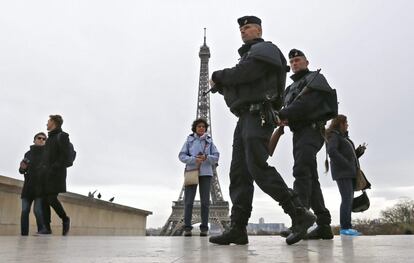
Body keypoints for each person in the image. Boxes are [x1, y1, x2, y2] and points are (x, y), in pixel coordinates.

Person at [209, 16, 315, 245]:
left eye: (247, 27)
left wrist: (219, 77)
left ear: (259, 29)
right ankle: (238, 227)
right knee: (239, 173)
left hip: (259, 117)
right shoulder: (251, 56)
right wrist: (225, 85)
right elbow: (244, 80)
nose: (243, 31)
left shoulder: (265, 50)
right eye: (241, 29)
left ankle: (299, 213)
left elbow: (246, 73)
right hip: (246, 117)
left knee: (258, 168)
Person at [278, 49, 334, 240]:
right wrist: (283, 117)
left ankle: (299, 220)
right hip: (299, 133)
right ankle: (324, 224)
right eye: (292, 61)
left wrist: (284, 114)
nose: (294, 63)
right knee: (310, 177)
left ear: (307, 62)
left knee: (301, 171)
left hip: (312, 131)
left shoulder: (315, 79)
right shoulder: (290, 88)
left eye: (298, 60)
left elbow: (307, 104)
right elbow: (289, 108)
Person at [179, 118, 220, 237]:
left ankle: (204, 229)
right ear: (195, 128)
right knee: (188, 202)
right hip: (192, 170)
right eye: (199, 126)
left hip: (206, 173)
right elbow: (181, 155)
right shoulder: (189, 140)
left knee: (205, 202)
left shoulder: (209, 141)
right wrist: (194, 159)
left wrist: (206, 157)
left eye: (203, 126)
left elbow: (216, 156)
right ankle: (187, 228)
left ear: (205, 129)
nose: (201, 128)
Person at [326, 114, 365, 236]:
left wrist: (357, 152)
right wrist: (347, 164)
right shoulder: (334, 135)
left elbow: (348, 156)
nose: (347, 125)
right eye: (346, 122)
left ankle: (347, 227)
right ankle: (345, 228)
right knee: (347, 199)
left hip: (348, 172)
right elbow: (332, 151)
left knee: (348, 199)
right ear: (340, 124)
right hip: (343, 173)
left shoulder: (343, 138)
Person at [41, 115, 71, 235]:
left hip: (56, 174)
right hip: (46, 174)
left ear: (54, 122)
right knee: (44, 200)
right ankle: (47, 228)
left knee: (51, 198)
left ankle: (65, 218)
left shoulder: (62, 136)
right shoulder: (49, 139)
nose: (46, 123)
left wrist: (53, 168)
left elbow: (64, 156)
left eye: (48, 121)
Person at [19, 132, 48, 235]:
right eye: (39, 138)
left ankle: (42, 230)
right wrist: (22, 167)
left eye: (44, 139)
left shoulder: (47, 154)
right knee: (25, 211)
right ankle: (24, 234)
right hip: (28, 186)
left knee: (37, 210)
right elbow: (22, 171)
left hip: (40, 187)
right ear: (34, 140)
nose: (41, 140)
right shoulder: (28, 153)